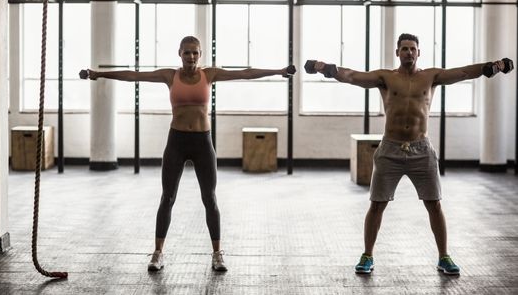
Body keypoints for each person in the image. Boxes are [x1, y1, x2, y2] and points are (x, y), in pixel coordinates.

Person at [80, 35, 296, 272]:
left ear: (200, 54)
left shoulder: (209, 75)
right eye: (186, 53)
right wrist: (99, 74)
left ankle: (217, 254)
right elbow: (134, 75)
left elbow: (245, 73)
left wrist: (278, 71)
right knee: (167, 198)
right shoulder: (169, 76)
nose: (191, 57)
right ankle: (158, 253)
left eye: (195, 53)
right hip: (177, 142)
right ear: (179, 54)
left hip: (203, 143)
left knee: (210, 199)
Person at [304, 33, 513, 276]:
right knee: (377, 205)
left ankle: (444, 256)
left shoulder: (431, 76)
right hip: (390, 149)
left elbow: (465, 72)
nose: (408, 53)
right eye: (404, 49)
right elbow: (351, 76)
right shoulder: (385, 77)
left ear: (418, 53)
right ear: (397, 53)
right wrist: (323, 67)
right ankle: (367, 255)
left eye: (412, 49)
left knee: (434, 205)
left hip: (421, 150)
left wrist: (493, 66)